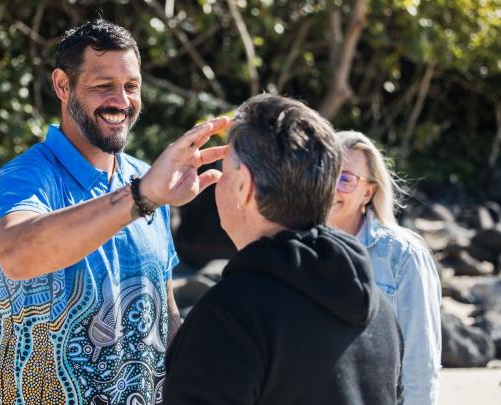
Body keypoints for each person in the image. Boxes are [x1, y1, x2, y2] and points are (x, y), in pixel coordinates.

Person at [0, 19, 229, 405]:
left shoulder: (146, 178)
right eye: (103, 86)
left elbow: (163, 316)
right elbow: (16, 254)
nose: (121, 100)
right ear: (62, 86)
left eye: (131, 87)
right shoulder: (27, 175)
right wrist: (142, 197)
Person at [163, 94, 403, 405]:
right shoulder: (379, 310)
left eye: (225, 170)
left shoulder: (229, 319)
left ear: (244, 186)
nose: (217, 184)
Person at [328, 130, 442, 405]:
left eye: (345, 179)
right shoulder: (295, 251)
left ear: (368, 192)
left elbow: (420, 366)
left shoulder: (403, 257)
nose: (332, 187)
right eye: (326, 173)